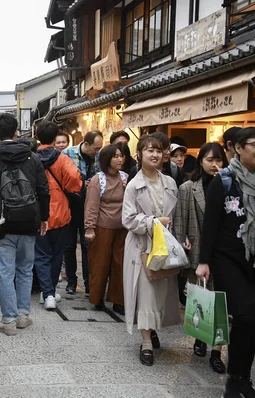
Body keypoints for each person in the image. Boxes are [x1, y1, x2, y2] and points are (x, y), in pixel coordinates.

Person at [196, 127, 255, 398]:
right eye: (254, 145)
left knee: (249, 323)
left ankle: (241, 380)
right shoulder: (223, 180)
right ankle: (235, 382)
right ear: (238, 148)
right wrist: (204, 261)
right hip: (228, 259)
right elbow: (211, 224)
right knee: (244, 315)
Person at [0, 113, 50, 335]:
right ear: (16, 133)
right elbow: (44, 190)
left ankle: (8, 321)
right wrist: (44, 217)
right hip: (28, 222)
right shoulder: (32, 158)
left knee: (5, 272)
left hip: (1, 224)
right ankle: (23, 315)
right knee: (25, 269)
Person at [122, 135, 180, 367]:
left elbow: (174, 218)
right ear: (139, 155)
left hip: (164, 246)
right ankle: (146, 342)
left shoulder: (170, 183)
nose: (155, 155)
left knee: (160, 292)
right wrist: (154, 222)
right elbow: (127, 219)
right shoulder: (133, 185)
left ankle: (152, 329)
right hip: (141, 246)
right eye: (149, 151)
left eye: (158, 150)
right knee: (145, 293)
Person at [173, 142, 228, 374]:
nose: (215, 165)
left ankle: (216, 351)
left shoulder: (230, 186)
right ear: (201, 161)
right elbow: (180, 221)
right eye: (209, 160)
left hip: (224, 253)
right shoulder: (188, 187)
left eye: (219, 160)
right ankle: (200, 338)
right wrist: (182, 239)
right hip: (197, 250)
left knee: (220, 305)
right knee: (201, 299)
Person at [35, 121, 81, 310]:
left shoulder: (31, 159)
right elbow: (75, 181)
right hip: (61, 213)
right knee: (56, 255)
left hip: (38, 214)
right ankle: (50, 292)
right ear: (55, 139)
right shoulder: (62, 159)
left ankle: (47, 293)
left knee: (41, 256)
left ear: (38, 137)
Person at [84, 145, 127, 315]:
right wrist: (89, 228)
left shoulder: (125, 178)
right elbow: (92, 206)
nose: (119, 159)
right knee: (100, 264)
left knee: (120, 265)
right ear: (106, 159)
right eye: (115, 156)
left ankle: (118, 300)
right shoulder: (98, 180)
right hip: (102, 228)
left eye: (121, 156)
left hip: (123, 228)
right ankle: (97, 298)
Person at [62, 131, 103, 295]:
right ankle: (71, 282)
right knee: (69, 246)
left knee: (88, 246)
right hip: (71, 205)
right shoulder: (67, 154)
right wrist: (80, 185)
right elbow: (62, 179)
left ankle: (89, 284)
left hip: (90, 207)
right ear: (85, 144)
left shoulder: (99, 157)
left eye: (99, 148)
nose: (97, 152)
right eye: (95, 148)